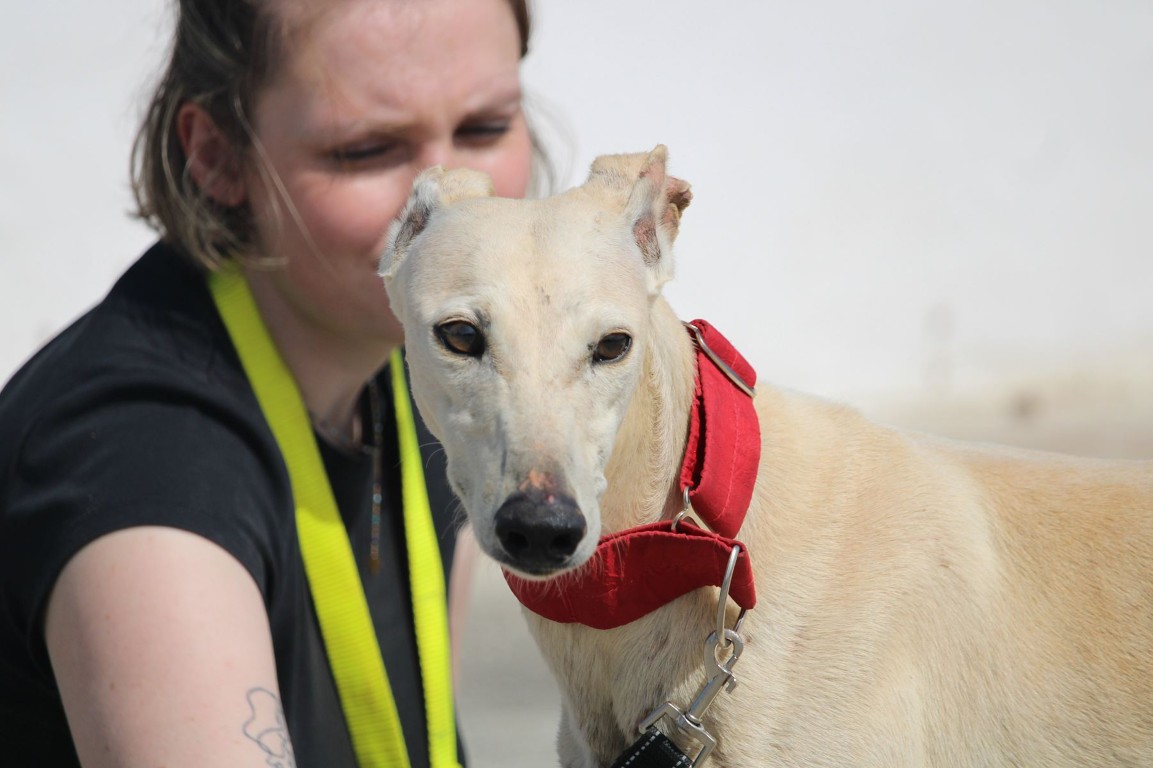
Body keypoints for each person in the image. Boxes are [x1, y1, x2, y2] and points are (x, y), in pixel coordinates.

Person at [0, 0, 549, 765]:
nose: (452, 201)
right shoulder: (148, 473)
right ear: (218, 156)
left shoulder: (423, 367)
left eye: (485, 128)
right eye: (366, 149)